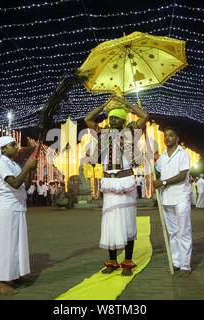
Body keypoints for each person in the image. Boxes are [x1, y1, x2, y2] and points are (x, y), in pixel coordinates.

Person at [84, 93, 148, 277]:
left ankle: (127, 262)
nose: (111, 121)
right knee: (110, 222)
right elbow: (88, 119)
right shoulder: (102, 133)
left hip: (126, 181)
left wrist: (126, 104)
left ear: (123, 120)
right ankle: (112, 261)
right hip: (109, 182)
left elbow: (144, 117)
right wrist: (105, 105)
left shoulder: (131, 133)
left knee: (128, 222)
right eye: (110, 118)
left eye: (115, 118)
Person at [0, 135, 37, 295]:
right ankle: (0, 282)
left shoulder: (13, 164)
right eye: (13, 145)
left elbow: (24, 185)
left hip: (18, 207)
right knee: (6, 245)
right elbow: (14, 184)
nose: (17, 147)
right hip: (7, 209)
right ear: (2, 149)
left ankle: (15, 275)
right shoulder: (0, 163)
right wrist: (27, 167)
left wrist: (31, 172)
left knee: (17, 244)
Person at [154, 126, 192, 277]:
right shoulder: (162, 157)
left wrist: (162, 182)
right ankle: (175, 262)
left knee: (184, 232)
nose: (167, 138)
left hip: (181, 197)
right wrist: (152, 162)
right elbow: (157, 170)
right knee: (172, 233)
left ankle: (186, 265)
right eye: (165, 136)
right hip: (166, 199)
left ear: (177, 138)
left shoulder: (183, 154)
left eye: (171, 135)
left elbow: (182, 175)